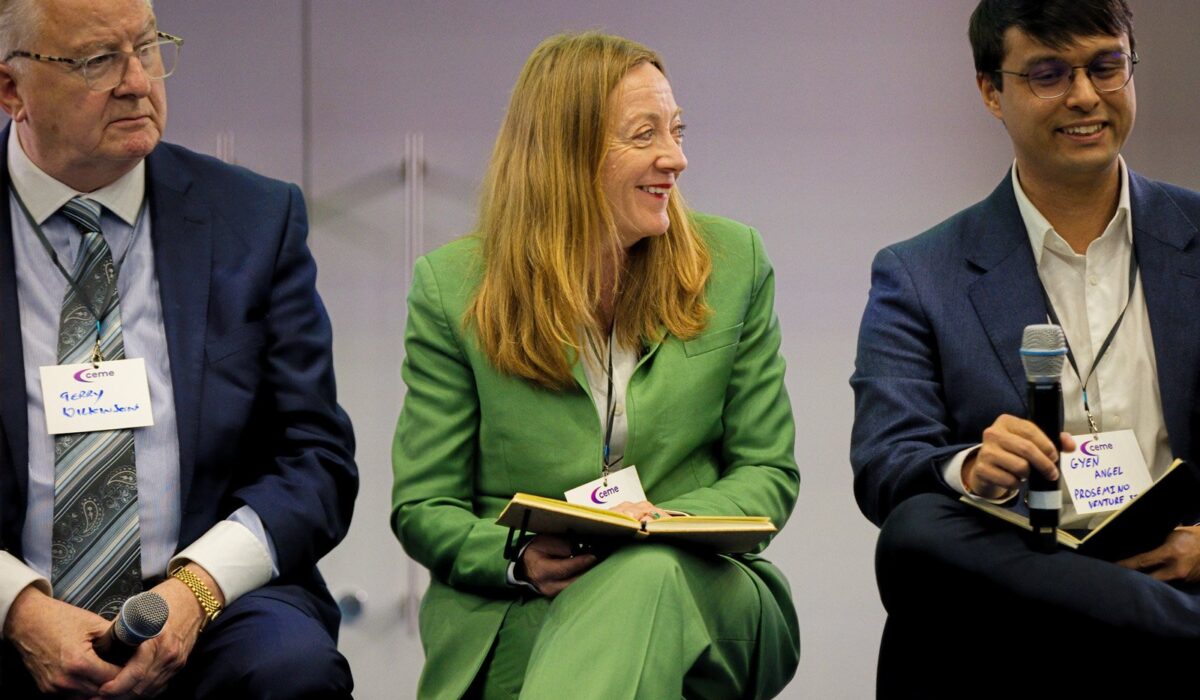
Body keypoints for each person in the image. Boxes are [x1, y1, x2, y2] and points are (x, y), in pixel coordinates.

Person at [392, 31, 800, 700]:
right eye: (645, 136)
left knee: (646, 572)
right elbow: (425, 505)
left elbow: (767, 472)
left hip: (707, 596)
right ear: (566, 155)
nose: (677, 158)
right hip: (523, 606)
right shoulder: (452, 287)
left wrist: (659, 526)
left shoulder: (736, 264)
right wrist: (519, 558)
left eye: (676, 130)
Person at [0, 0, 357, 696]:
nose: (138, 81)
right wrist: (19, 607)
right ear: (10, 88)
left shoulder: (256, 220)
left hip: (211, 603)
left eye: (148, 46)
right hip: (11, 605)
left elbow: (315, 460)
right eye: (97, 60)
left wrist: (195, 593)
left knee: (295, 672)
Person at [851, 0, 1200, 695]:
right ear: (991, 90)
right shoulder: (920, 273)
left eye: (1107, 65)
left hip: (1177, 558)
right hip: (1017, 574)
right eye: (1048, 74)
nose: (1085, 96)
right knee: (918, 529)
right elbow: (887, 466)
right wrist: (976, 467)